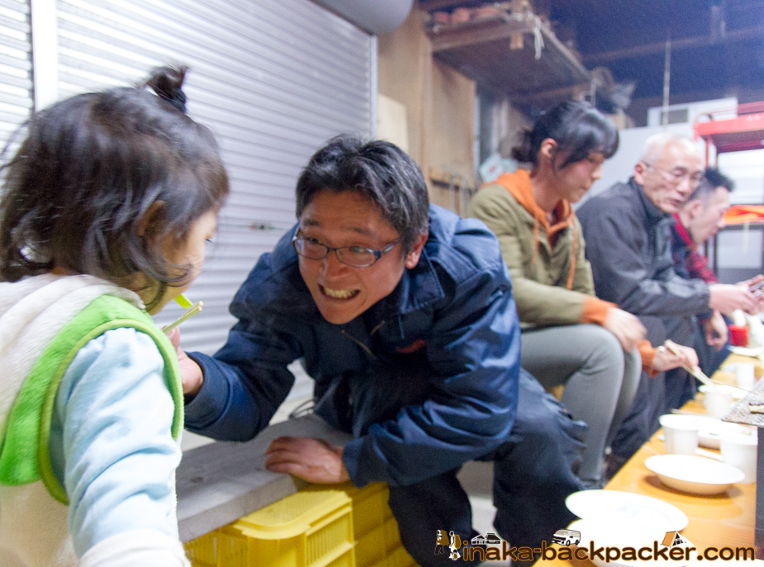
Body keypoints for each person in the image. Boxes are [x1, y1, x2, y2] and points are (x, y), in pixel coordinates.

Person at [178, 135, 588, 567]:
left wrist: (353, 461)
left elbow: (482, 403)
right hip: (363, 397)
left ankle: (542, 556)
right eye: (313, 240)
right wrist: (196, 380)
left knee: (542, 429)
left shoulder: (465, 265)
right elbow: (248, 386)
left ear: (413, 247)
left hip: (463, 390)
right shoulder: (285, 277)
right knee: (395, 408)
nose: (329, 271)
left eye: (359, 248)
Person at [0, 66, 229, 567]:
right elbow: (128, 533)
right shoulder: (115, 345)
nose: (204, 256)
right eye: (205, 237)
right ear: (155, 224)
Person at [468, 101, 694, 489]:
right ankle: (580, 485)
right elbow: (510, 289)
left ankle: (589, 468)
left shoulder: (567, 219)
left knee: (622, 350)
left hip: (533, 339)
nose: (598, 173)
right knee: (601, 347)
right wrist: (599, 312)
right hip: (490, 343)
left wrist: (646, 353)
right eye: (590, 160)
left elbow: (585, 295)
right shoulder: (495, 202)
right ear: (550, 151)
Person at [577, 133, 759, 464]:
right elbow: (627, 294)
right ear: (641, 171)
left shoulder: (657, 214)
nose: (687, 187)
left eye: (694, 178)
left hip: (629, 311)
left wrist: (711, 302)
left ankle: (671, 425)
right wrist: (710, 296)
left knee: (683, 319)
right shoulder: (612, 210)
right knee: (649, 325)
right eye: (678, 174)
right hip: (597, 318)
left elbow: (666, 278)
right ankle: (630, 453)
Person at [671, 168, 763, 375]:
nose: (722, 224)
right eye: (721, 213)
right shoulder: (664, 234)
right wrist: (711, 305)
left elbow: (706, 282)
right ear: (695, 208)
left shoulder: (687, 245)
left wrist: (740, 295)